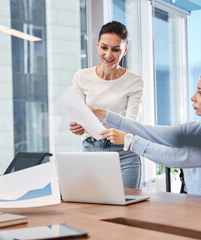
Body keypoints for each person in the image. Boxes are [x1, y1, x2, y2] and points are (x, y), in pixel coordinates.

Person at [88, 71, 201, 197]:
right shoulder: (196, 130)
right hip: (199, 213)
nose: (193, 98)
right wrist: (104, 115)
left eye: (200, 93)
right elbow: (149, 132)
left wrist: (130, 141)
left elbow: (180, 157)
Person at [69, 21, 144, 189]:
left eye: (115, 49)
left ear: (124, 50)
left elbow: (131, 123)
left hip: (124, 153)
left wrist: (100, 117)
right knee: (93, 208)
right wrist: (77, 126)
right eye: (104, 47)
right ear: (97, 45)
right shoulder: (81, 77)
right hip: (91, 150)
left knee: (128, 208)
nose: (108, 54)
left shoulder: (135, 82)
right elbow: (79, 115)